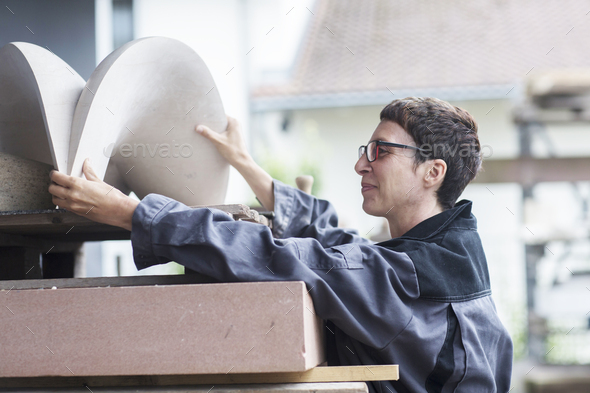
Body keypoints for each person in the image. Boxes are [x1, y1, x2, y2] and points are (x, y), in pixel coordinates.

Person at [49, 97, 513, 393]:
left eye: (381, 151)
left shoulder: (406, 279)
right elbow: (338, 240)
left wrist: (133, 214)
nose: (361, 165)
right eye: (363, 149)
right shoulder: (447, 256)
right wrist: (248, 166)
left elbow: (285, 258)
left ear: (433, 173)